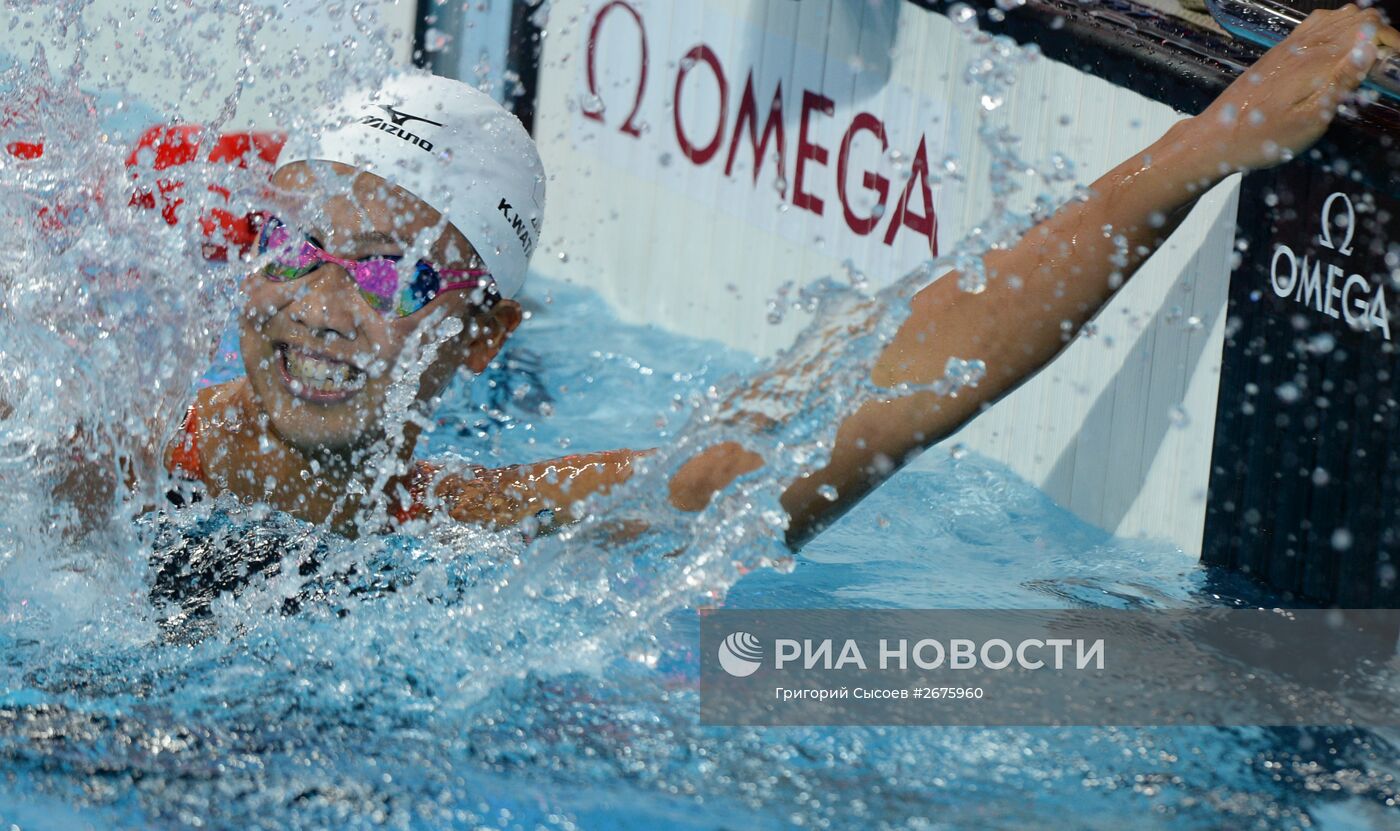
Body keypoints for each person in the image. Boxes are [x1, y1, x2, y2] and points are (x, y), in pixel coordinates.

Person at [105, 6, 1400, 544]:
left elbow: (875, 406)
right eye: (298, 248)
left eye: (390, 277)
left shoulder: (471, 531)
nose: (321, 306)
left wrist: (1219, 143)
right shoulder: (109, 447)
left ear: (484, 335)